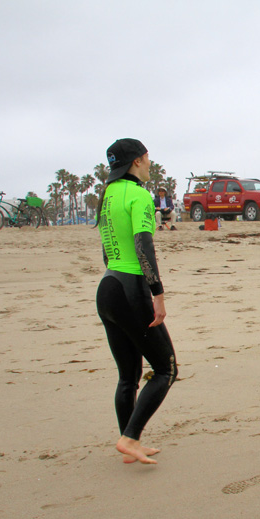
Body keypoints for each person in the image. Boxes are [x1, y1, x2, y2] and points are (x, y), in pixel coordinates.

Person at [95, 138, 177, 465]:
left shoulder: (108, 196)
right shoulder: (139, 195)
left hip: (108, 287)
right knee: (166, 369)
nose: (149, 164)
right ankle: (130, 438)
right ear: (138, 161)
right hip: (131, 290)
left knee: (128, 376)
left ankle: (129, 442)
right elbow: (143, 246)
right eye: (147, 158)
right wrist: (157, 294)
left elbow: (107, 251)